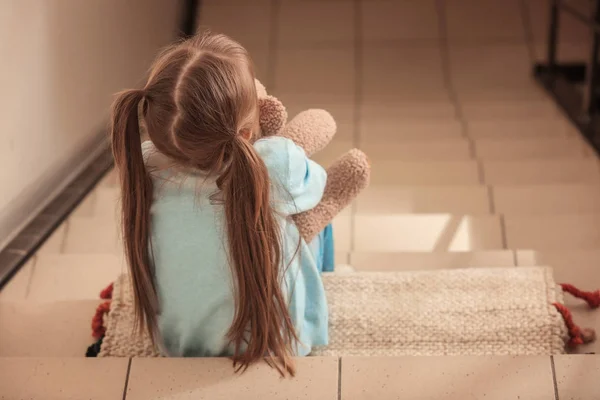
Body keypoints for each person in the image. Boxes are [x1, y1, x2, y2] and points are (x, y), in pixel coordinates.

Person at [109, 32, 332, 376]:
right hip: (275, 342)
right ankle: (330, 283)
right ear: (245, 133)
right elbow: (316, 184)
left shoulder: (143, 164)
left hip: (179, 344)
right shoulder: (275, 162)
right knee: (317, 218)